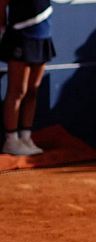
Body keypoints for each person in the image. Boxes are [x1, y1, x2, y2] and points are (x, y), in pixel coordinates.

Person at [0, 0, 55, 156]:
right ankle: (11, 140)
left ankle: (25, 137)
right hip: (20, 35)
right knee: (18, 91)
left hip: (43, 34)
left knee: (33, 90)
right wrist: (2, 30)